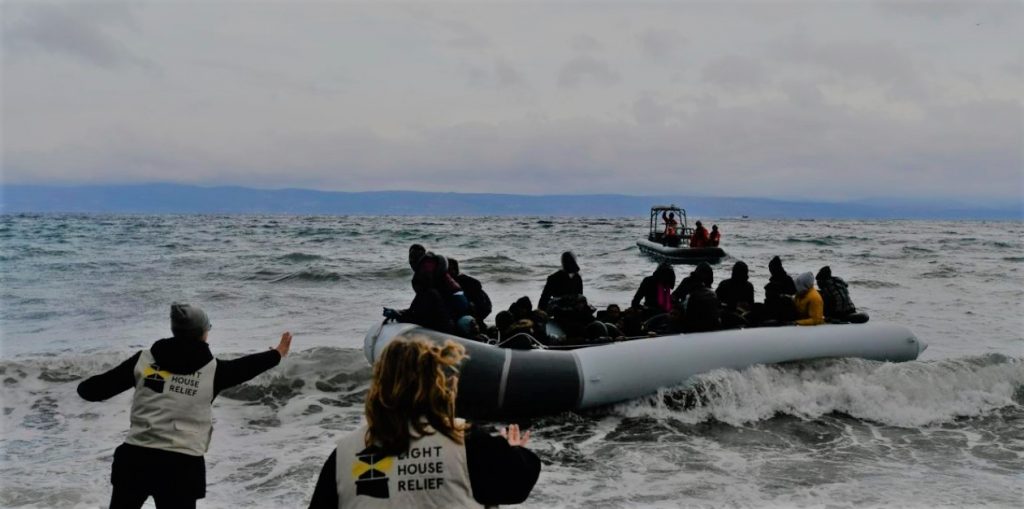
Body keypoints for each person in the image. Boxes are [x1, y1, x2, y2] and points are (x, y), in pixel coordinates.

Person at [76, 303, 293, 509]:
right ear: (203, 333)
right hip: (181, 468)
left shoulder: (143, 361)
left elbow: (92, 391)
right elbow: (247, 366)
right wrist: (278, 353)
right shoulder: (214, 371)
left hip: (135, 461)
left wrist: (78, 383)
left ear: (174, 330)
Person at [308, 337, 541, 508]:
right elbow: (518, 486)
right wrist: (514, 452)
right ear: (437, 383)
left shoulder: (344, 454)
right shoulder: (466, 440)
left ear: (379, 385)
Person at [385, 270, 455, 334]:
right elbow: (412, 311)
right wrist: (398, 312)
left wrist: (399, 316)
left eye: (415, 284)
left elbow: (421, 320)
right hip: (434, 327)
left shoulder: (430, 295)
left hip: (441, 331)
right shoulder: (421, 295)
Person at [448, 258, 493, 324]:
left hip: (479, 310)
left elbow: (477, 285)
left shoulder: (462, 280)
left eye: (450, 269)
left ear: (455, 270)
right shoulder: (456, 281)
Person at [716, 261, 754, 328]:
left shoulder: (748, 286)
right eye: (745, 274)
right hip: (728, 315)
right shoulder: (724, 285)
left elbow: (751, 306)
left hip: (743, 315)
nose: (747, 277)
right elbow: (717, 303)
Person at [763, 256, 797, 322]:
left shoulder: (787, 279)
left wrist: (781, 295)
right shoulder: (774, 280)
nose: (770, 270)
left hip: (784, 307)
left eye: (771, 268)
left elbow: (793, 293)